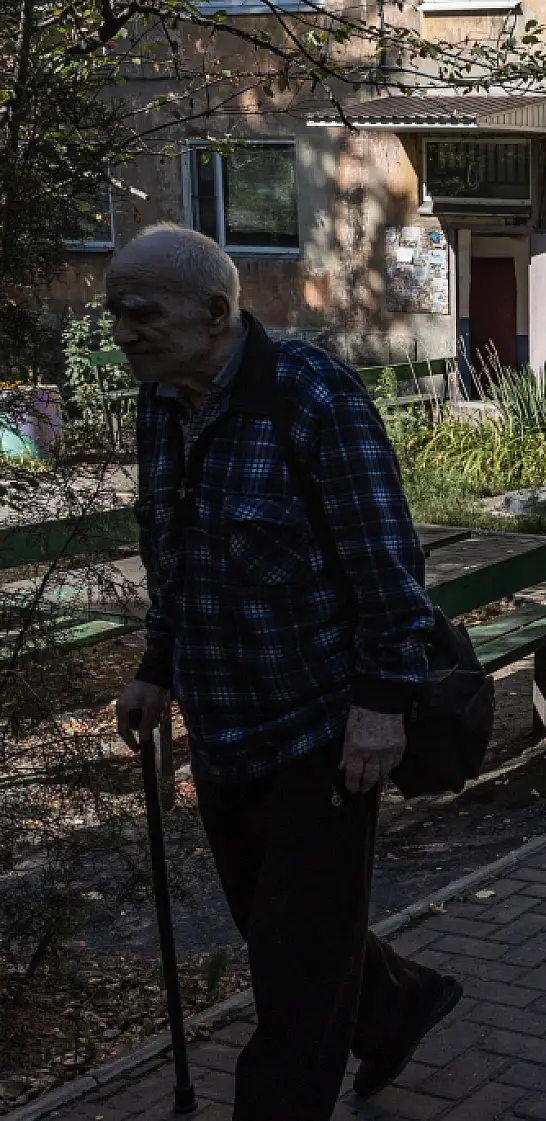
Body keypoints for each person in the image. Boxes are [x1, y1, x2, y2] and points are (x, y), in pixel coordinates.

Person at [110, 226, 460, 1120]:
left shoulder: (312, 399)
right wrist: (156, 665)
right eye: (114, 313)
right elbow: (174, 556)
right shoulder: (162, 403)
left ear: (217, 312)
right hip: (224, 730)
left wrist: (381, 707)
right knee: (281, 936)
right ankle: (398, 1003)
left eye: (140, 313)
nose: (121, 332)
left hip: (322, 734)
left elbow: (389, 570)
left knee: (294, 986)